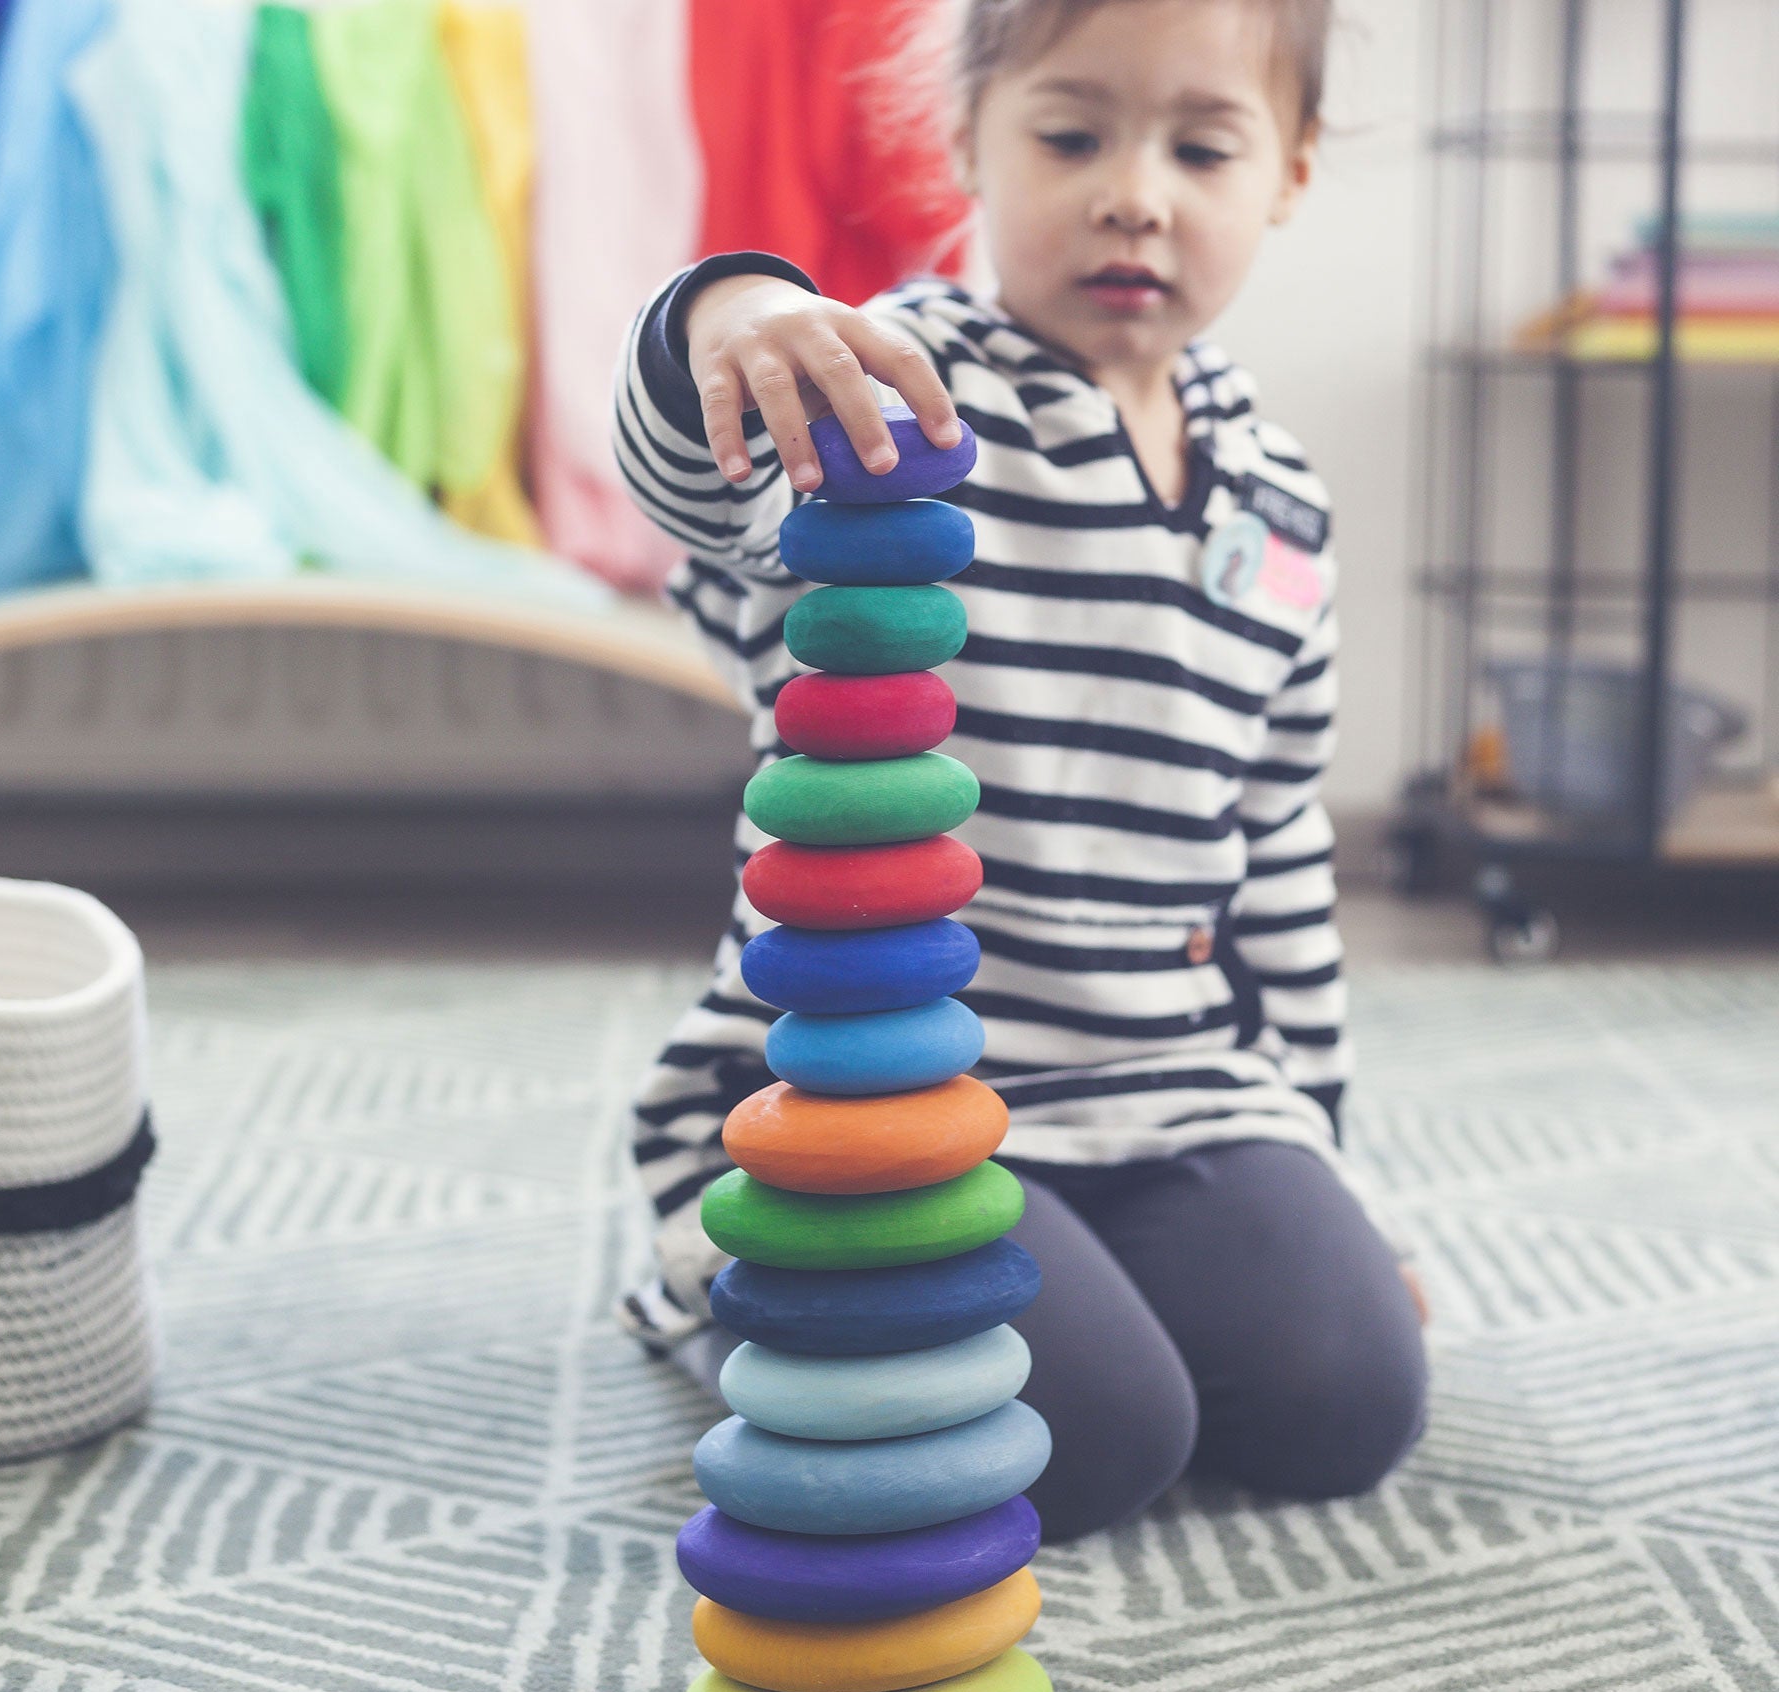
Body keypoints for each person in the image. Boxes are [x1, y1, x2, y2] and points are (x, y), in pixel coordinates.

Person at [612, 0, 1428, 1543]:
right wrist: (725, 317)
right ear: (968, 142)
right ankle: (740, 1271)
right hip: (881, 1091)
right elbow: (685, 483)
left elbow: (1282, 857)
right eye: (1071, 135)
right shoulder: (896, 398)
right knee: (1103, 1438)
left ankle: (1122, 1269)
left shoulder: (1285, 500)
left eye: (1202, 146)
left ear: (1291, 174)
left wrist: (1327, 1156)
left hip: (1170, 1089)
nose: (1136, 191)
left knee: (1347, 1402)